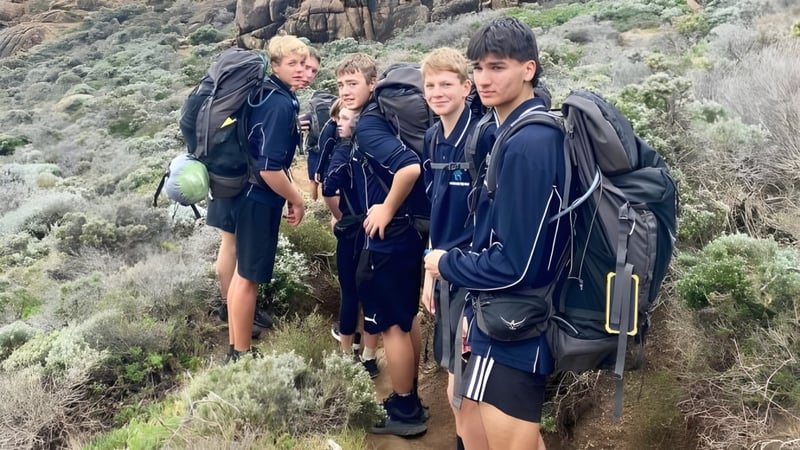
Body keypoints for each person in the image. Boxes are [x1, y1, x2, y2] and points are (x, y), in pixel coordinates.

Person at [424, 17, 570, 450]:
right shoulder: (510, 131)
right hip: (505, 313)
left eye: (497, 67)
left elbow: (515, 262)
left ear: (529, 69)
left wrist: (445, 263)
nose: (484, 79)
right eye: (479, 68)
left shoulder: (529, 143)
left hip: (513, 323)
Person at [336, 53, 430, 436]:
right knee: (406, 318)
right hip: (413, 230)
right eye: (340, 85)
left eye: (352, 83)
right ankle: (409, 393)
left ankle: (405, 409)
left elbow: (409, 167)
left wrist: (386, 210)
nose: (345, 92)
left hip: (392, 237)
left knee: (391, 325)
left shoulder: (371, 125)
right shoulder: (382, 117)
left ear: (373, 85)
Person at [419, 47, 490, 450]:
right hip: (444, 272)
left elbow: (489, 220)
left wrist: (473, 297)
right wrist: (429, 275)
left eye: (446, 83)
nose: (437, 92)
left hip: (472, 277)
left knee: (463, 390)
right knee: (455, 384)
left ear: (467, 87)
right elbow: (437, 210)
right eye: (430, 85)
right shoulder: (432, 137)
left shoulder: (482, 136)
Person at [225, 35, 309, 361]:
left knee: (241, 275)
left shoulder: (264, 94)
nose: (300, 70)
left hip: (242, 193)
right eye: (292, 64)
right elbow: (270, 170)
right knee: (249, 279)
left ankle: (236, 347)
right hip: (258, 198)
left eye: (303, 63)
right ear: (274, 66)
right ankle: (242, 354)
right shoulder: (278, 104)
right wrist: (297, 199)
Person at [320, 103, 379, 378]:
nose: (337, 123)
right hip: (377, 227)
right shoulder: (378, 145)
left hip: (352, 228)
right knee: (371, 293)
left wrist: (338, 216)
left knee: (349, 291)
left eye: (344, 118)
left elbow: (329, 187)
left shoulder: (344, 149)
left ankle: (346, 357)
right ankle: (370, 357)